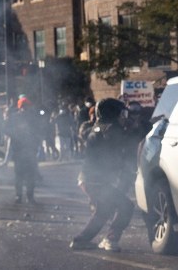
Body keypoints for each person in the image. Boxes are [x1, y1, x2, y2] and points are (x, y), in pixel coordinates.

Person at [70, 98, 140, 252]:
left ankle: (80, 240)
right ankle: (110, 239)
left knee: (104, 211)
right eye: (121, 114)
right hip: (95, 180)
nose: (124, 117)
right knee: (126, 206)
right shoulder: (110, 130)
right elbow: (121, 147)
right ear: (112, 114)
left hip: (91, 179)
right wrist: (134, 129)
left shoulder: (99, 128)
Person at [4, 96, 42, 204]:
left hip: (30, 149)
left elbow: (39, 130)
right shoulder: (14, 118)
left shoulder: (33, 118)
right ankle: (18, 195)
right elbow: (6, 129)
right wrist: (16, 134)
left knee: (30, 175)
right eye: (23, 106)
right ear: (20, 107)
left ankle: (30, 196)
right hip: (19, 149)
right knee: (19, 175)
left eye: (26, 106)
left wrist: (36, 140)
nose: (25, 109)